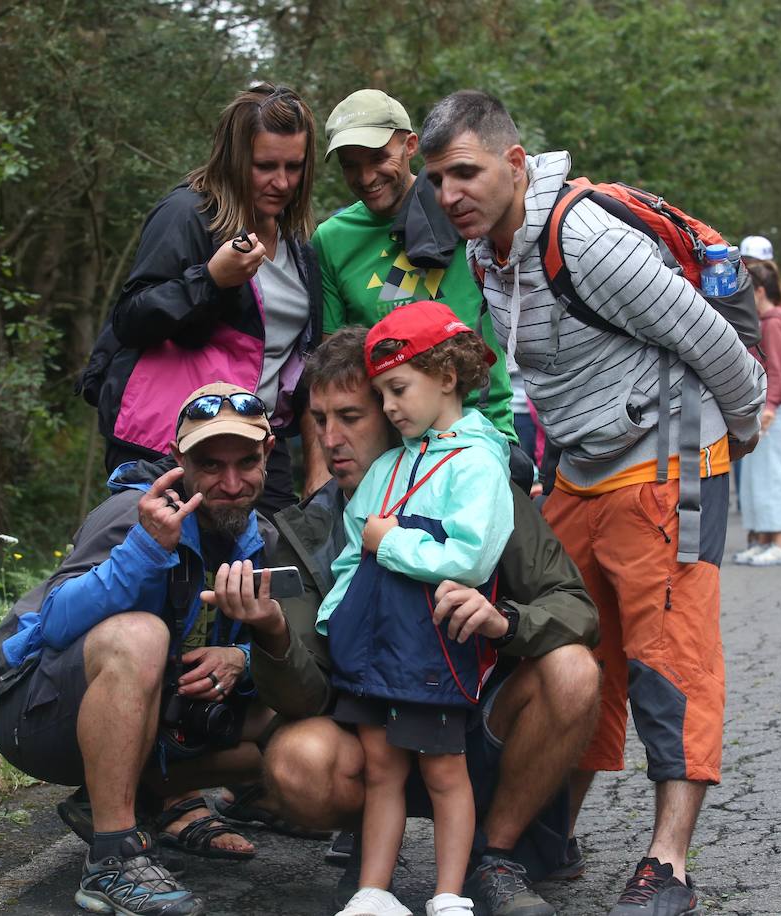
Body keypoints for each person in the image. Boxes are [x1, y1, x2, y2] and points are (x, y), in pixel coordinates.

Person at [421, 90, 766, 916]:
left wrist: (740, 433)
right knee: (567, 642)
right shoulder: (483, 254)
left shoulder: (583, 237)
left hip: (672, 459)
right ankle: (553, 834)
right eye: (435, 179)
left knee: (667, 658)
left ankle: (667, 864)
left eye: (465, 173)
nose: (450, 194)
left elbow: (711, 341)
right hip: (583, 466)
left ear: (513, 165)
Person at [235, 328, 601, 916]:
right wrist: (271, 636)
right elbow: (306, 695)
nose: (331, 440)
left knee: (574, 672)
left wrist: (502, 620)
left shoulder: (478, 482)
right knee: (297, 759)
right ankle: (371, 863)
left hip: (469, 709)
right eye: (319, 419)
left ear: (392, 408)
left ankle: (496, 857)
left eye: (352, 415)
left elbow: (576, 609)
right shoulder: (304, 530)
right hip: (371, 723)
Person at [0, 382, 287, 916]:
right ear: (178, 460)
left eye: (246, 462)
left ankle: (134, 802)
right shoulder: (133, 512)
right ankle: (113, 858)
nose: (231, 482)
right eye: (211, 465)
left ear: (269, 456)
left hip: (157, 718)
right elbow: (53, 624)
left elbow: (297, 656)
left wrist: (241, 661)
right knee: (141, 634)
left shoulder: (263, 538)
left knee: (288, 727)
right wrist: (144, 552)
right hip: (35, 710)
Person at [307, 303, 509, 916]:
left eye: (399, 389)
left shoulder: (479, 461)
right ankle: (375, 891)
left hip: (432, 647)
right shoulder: (391, 464)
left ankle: (449, 896)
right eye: (385, 394)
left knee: (445, 770)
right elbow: (350, 547)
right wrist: (335, 616)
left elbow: (470, 557)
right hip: (370, 644)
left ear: (447, 376)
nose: (390, 407)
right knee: (380, 768)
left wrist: (389, 541)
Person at [96, 84, 324, 514]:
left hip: (255, 442)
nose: (281, 182)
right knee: (168, 574)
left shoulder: (299, 248)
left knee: (269, 570)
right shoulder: (188, 214)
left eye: (294, 167)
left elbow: (302, 364)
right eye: (265, 166)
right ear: (236, 160)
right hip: (169, 442)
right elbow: (130, 318)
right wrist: (211, 281)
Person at [312, 89, 517, 451]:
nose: (365, 176)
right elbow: (332, 369)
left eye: (377, 158)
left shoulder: (461, 209)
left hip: (479, 430)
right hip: (388, 445)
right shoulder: (332, 239)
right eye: (350, 164)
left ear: (410, 145)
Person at [734, 262, 781, 566]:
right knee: (754, 477)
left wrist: (771, 406)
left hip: (771, 407)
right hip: (761, 406)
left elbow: (775, 369)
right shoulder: (764, 322)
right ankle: (762, 537)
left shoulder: (774, 323)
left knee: (773, 473)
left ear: (759, 291)